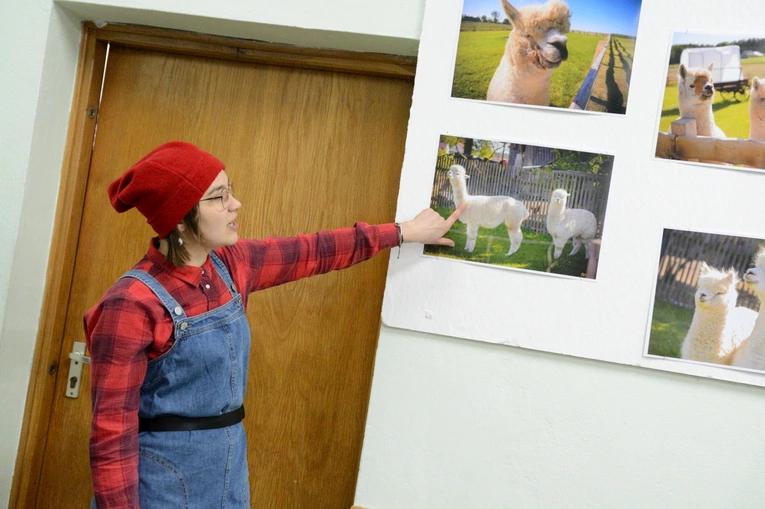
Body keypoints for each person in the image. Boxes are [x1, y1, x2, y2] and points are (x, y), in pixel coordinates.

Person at [84, 141, 464, 508]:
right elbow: (111, 436)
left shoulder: (231, 265)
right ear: (180, 217)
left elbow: (314, 251)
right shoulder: (132, 304)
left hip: (228, 470)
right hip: (162, 483)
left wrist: (401, 232)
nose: (235, 204)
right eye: (218, 197)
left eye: (229, 190)